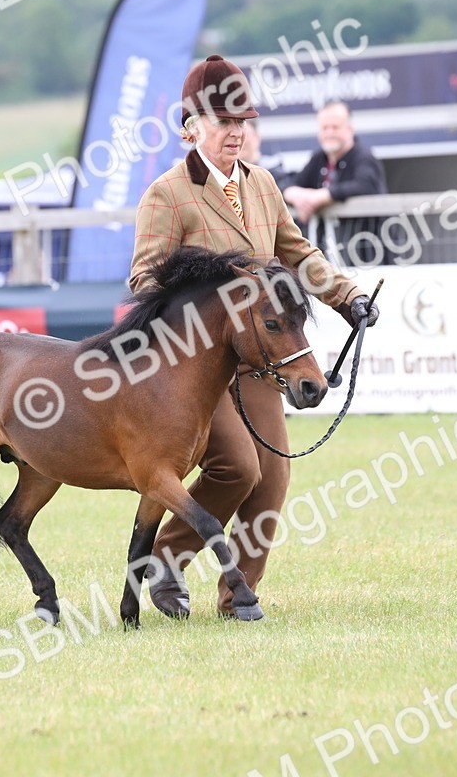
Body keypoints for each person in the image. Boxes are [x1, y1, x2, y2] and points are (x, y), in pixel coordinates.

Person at [131, 55, 378, 619]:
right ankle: (168, 559)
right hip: (199, 365)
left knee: (272, 480)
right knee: (239, 467)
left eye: (243, 122)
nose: (236, 132)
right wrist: (211, 285)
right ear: (191, 128)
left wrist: (346, 297)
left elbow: (298, 254)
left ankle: (236, 591)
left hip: (262, 360)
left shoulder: (263, 185)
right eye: (224, 122)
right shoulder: (167, 195)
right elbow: (144, 283)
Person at [282, 100, 387, 265]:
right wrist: (293, 193)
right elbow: (292, 182)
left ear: (349, 129)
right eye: (325, 128)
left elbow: (365, 185)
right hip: (330, 260)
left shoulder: (364, 157)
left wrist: (324, 195)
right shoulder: (319, 159)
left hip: (367, 257)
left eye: (335, 127)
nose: (329, 133)